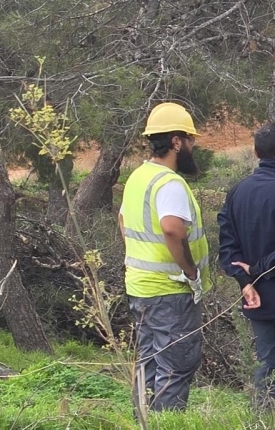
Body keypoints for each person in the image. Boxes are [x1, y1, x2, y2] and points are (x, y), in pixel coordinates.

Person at [120, 102, 212, 413]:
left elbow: (122, 221)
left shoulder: (139, 177)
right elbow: (172, 229)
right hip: (170, 291)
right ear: (176, 142)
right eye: (190, 140)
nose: (192, 146)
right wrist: (190, 272)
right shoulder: (170, 183)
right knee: (176, 365)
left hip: (140, 288)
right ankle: (167, 422)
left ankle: (142, 420)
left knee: (147, 362)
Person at [218, 123, 275, 404]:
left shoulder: (236, 192)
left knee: (266, 364)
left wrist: (245, 282)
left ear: (255, 152)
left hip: (257, 297)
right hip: (259, 287)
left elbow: (227, 246)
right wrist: (254, 271)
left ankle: (261, 417)